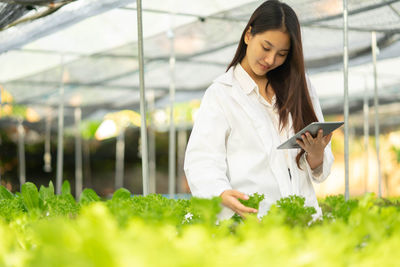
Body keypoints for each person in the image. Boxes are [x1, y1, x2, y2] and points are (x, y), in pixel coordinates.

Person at [184, 0, 334, 221]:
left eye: (282, 54)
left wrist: (317, 154)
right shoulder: (221, 94)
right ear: (248, 35)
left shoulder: (302, 87)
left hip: (304, 219)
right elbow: (202, 160)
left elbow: (318, 171)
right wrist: (220, 192)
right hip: (254, 221)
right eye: (266, 47)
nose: (271, 60)